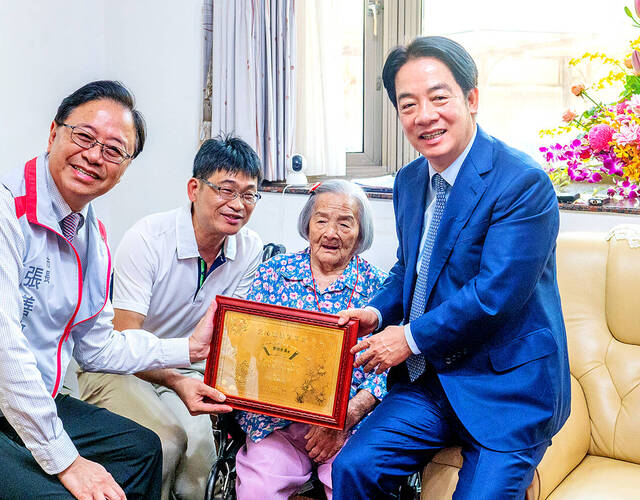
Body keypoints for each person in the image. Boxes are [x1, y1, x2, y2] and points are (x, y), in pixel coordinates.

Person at [0, 80, 219, 500]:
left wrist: (188, 349)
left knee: (142, 449)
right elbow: (1, 353)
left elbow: (96, 347)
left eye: (113, 150)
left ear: (124, 168)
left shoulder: (92, 238)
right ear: (54, 133)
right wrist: (67, 462)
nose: (93, 156)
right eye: (84, 136)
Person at [331, 37, 571, 499]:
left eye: (439, 97)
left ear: (472, 99)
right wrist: (377, 314)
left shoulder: (523, 184)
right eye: (408, 104)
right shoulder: (408, 180)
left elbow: (493, 295)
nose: (425, 115)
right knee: (354, 469)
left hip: (506, 389)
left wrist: (409, 337)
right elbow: (410, 268)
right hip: (432, 382)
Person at [77, 135, 263, 500]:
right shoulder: (148, 238)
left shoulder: (249, 248)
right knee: (164, 442)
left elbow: (230, 335)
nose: (237, 205)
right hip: (118, 366)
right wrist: (177, 380)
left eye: (249, 194)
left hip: (186, 370)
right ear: (194, 189)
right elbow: (123, 338)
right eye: (226, 190)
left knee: (200, 458)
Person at [233, 180, 388, 500]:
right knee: (258, 490)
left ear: (360, 233)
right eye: (321, 220)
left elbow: (389, 369)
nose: (331, 232)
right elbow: (243, 348)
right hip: (276, 424)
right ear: (307, 224)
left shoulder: (380, 287)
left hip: (349, 425)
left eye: (345, 223)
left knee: (352, 485)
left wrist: (348, 415)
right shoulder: (274, 273)